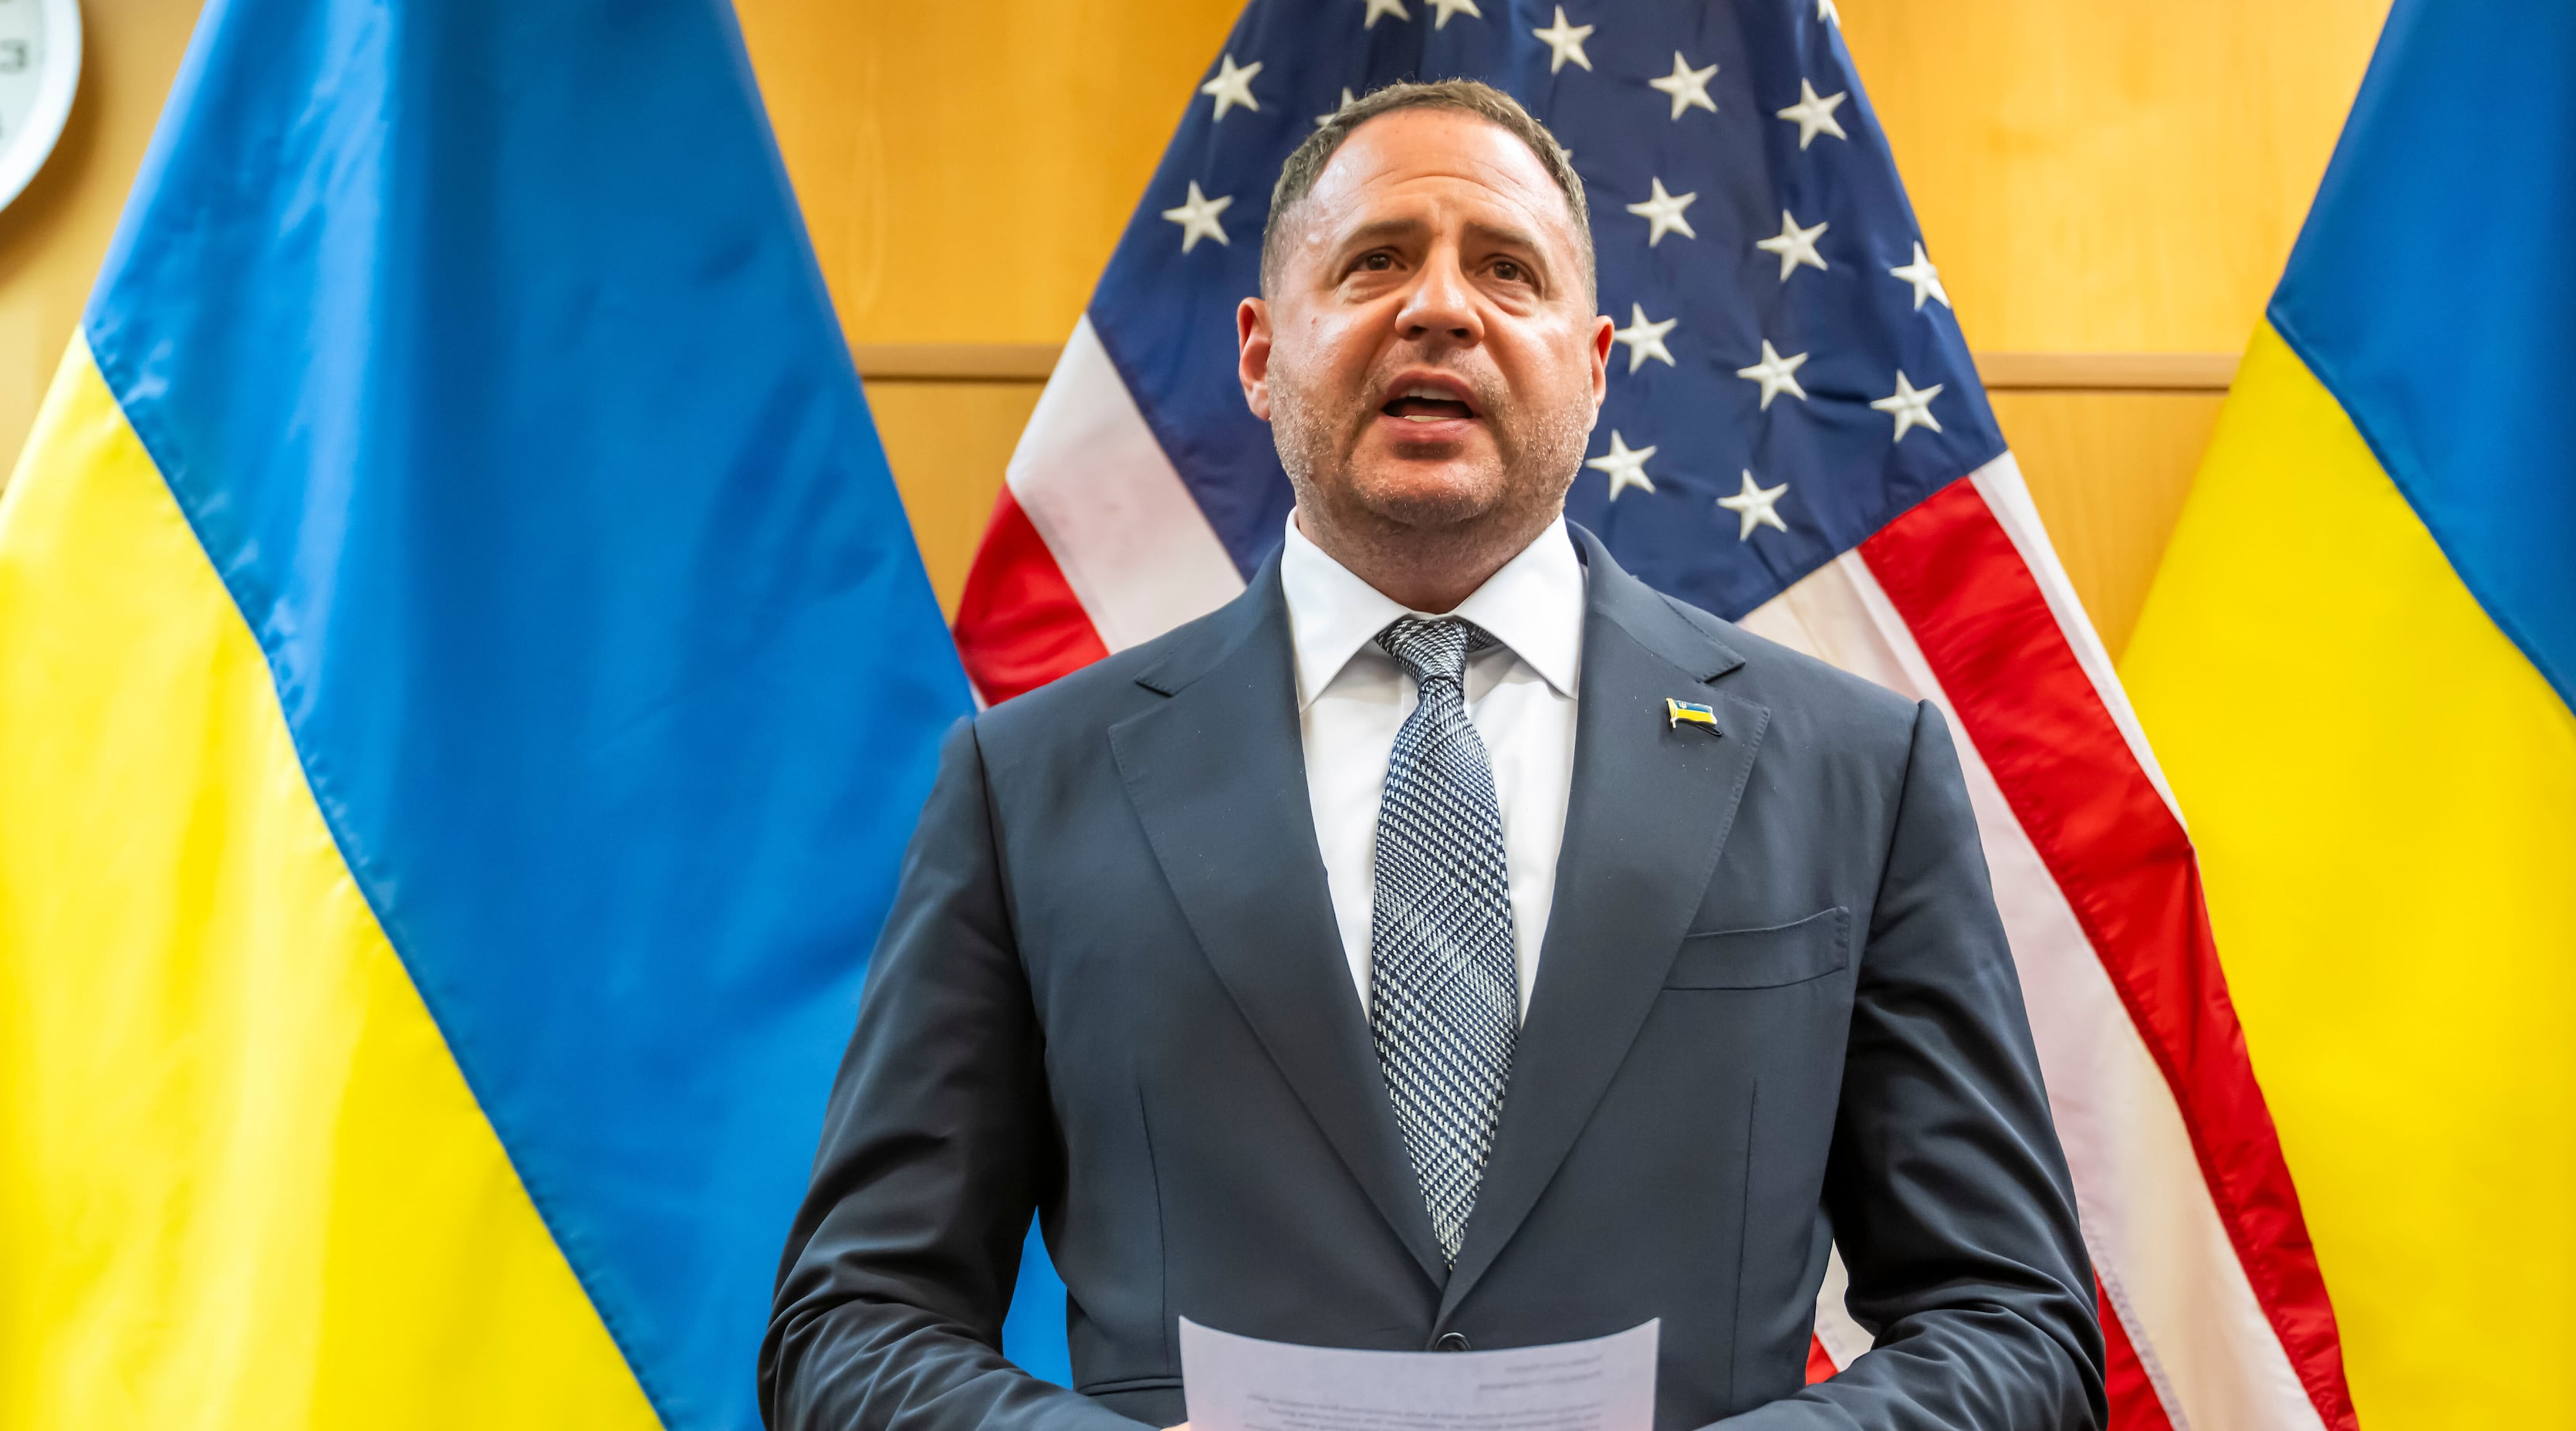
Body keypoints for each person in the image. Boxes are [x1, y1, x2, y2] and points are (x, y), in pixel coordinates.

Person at [762, 80, 2102, 1430]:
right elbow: (853, 1326)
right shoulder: (1027, 786)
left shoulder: (1853, 776)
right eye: (1377, 261)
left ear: (1593, 365)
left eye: (1507, 271)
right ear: (1260, 353)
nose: (1442, 307)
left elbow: (2014, 1324)